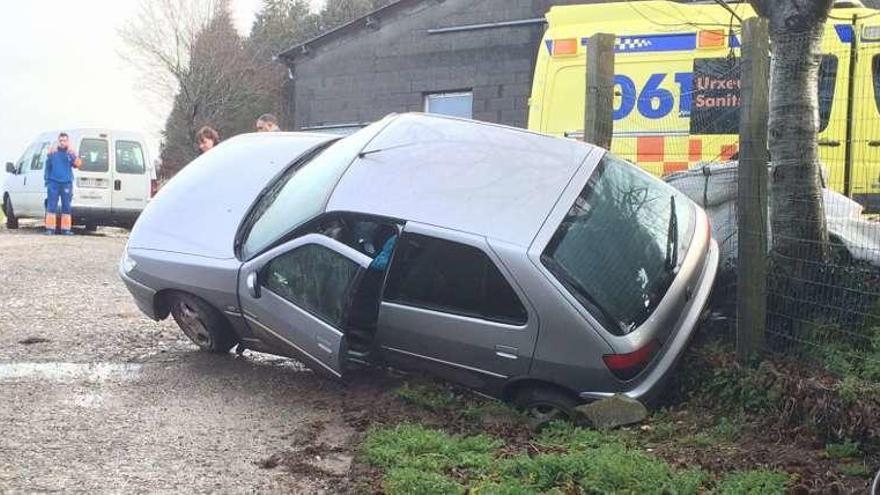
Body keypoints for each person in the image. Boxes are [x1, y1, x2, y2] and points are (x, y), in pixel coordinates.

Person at [44, 132, 81, 235]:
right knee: (51, 206)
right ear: (58, 141)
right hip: (53, 183)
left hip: (66, 183)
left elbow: (78, 164)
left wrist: (72, 154)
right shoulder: (53, 153)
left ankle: (66, 229)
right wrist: (47, 181)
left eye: (64, 141)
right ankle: (50, 229)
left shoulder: (71, 153)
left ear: (68, 142)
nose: (62, 143)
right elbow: (47, 167)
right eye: (60, 140)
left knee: (66, 206)